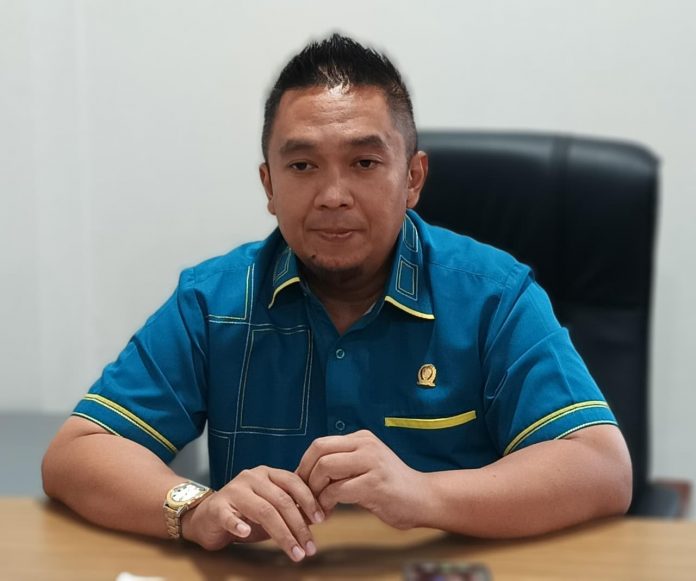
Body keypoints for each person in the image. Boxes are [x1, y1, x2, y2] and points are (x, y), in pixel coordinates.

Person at [42, 33, 632, 563]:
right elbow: (78, 452)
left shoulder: (492, 296)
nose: (332, 195)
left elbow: (600, 466)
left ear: (413, 178)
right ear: (269, 185)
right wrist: (196, 509)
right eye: (302, 165)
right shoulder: (214, 300)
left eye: (364, 162)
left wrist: (424, 494)